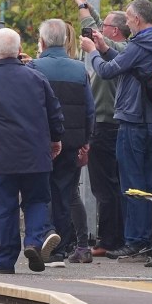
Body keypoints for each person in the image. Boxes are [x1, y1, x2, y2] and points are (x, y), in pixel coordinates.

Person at [0, 28, 65, 274]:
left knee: (3, 207)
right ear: (19, 51)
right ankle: (33, 242)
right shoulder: (37, 78)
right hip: (34, 153)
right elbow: (55, 112)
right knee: (37, 200)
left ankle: (5, 260)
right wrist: (56, 139)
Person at [81, 0, 152, 259]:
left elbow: (109, 72)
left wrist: (92, 53)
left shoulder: (140, 44)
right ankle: (144, 239)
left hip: (133, 120)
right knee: (145, 181)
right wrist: (104, 48)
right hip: (150, 119)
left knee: (132, 185)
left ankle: (135, 241)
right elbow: (125, 64)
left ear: (138, 20)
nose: (128, 21)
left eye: (130, 17)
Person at [31, 19, 95, 266]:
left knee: (41, 192)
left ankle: (46, 237)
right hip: (72, 141)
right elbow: (90, 110)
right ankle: (63, 247)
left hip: (42, 143)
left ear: (43, 41)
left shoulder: (35, 67)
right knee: (66, 193)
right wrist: (86, 141)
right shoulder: (79, 70)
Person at [73, 0, 129, 257]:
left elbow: (93, 32)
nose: (99, 29)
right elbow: (96, 26)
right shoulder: (124, 47)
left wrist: (82, 4)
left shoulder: (118, 49)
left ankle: (109, 240)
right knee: (111, 184)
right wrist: (84, 5)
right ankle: (115, 237)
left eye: (104, 26)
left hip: (106, 126)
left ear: (115, 31)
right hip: (113, 125)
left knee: (104, 186)